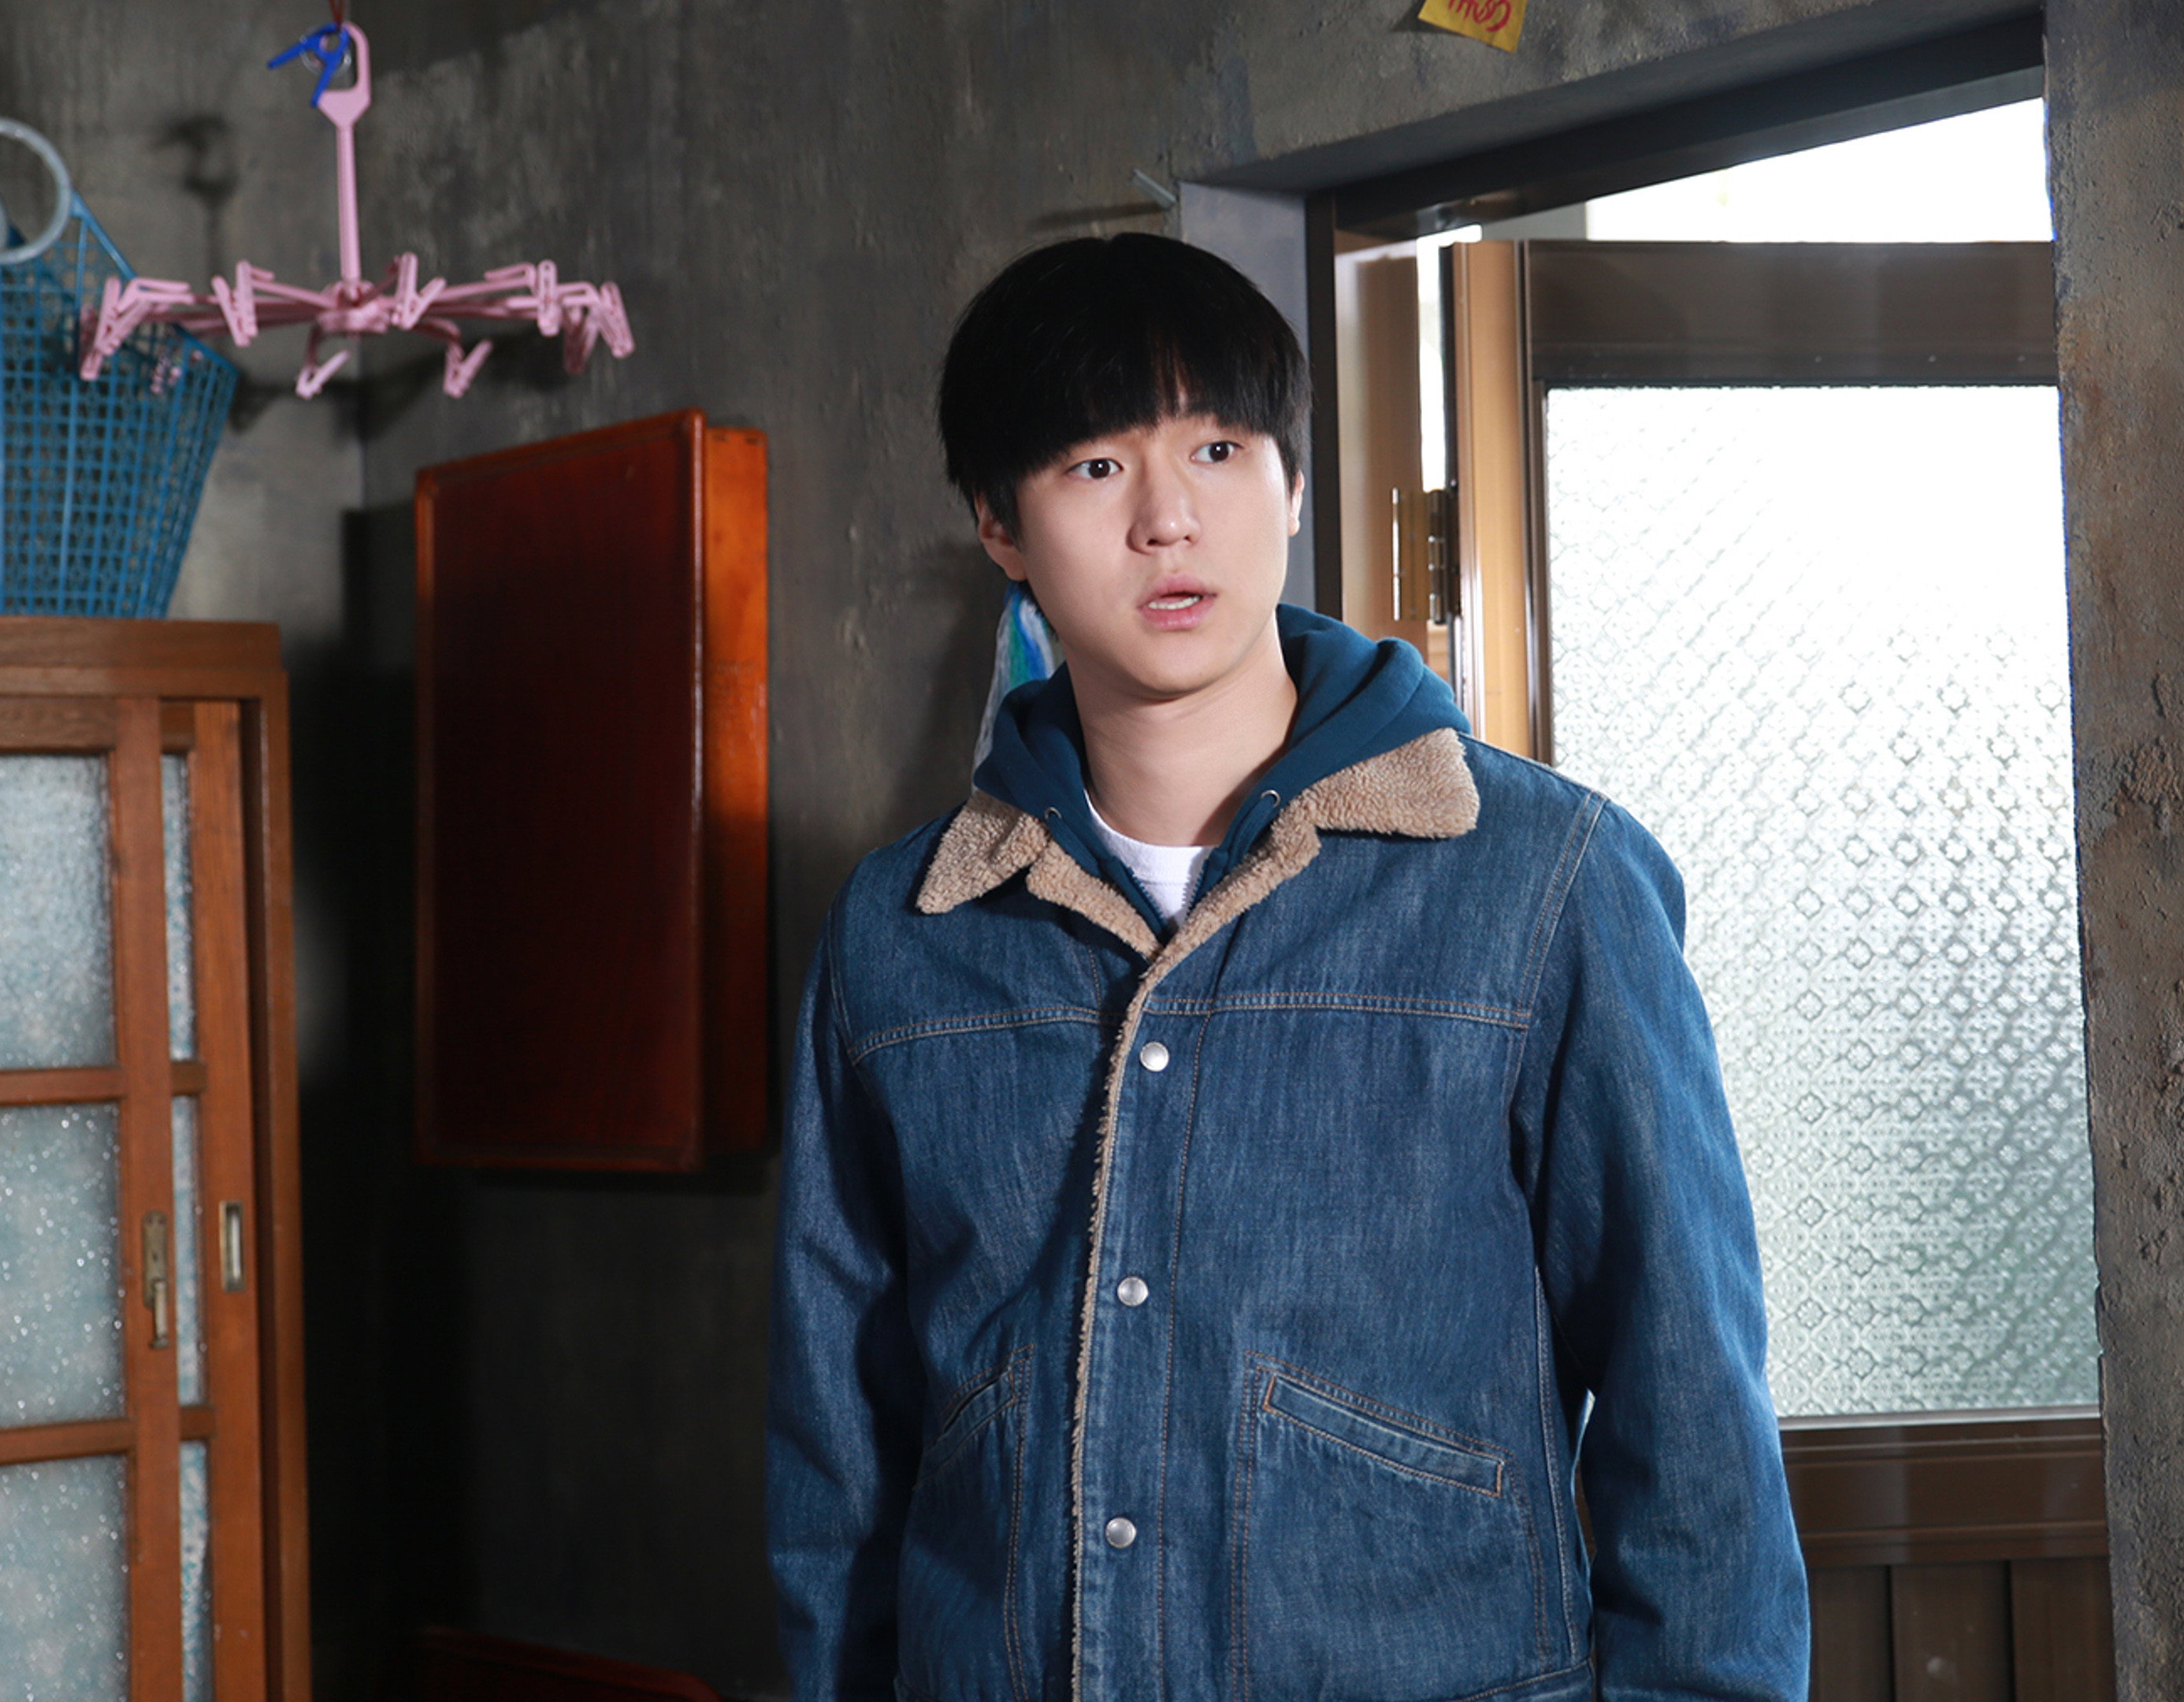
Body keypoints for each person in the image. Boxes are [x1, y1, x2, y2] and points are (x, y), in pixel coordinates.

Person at [765, 232, 1806, 1702]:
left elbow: (1687, 1420)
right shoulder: (902, 930)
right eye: (1096, 466)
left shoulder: (1544, 881)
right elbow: (837, 1457)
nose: (1169, 520)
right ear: (1000, 525)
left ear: (1294, 484)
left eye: (1219, 449)